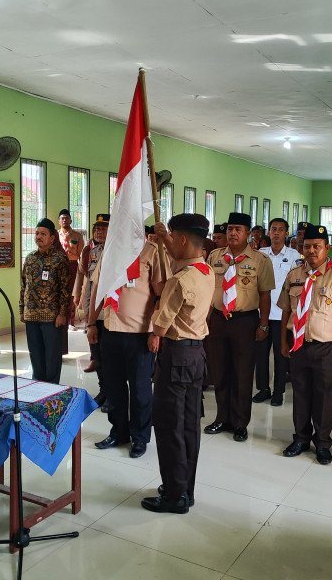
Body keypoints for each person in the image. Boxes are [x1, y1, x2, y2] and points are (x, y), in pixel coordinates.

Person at [141, 214, 215, 514]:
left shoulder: (179, 280)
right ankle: (185, 488)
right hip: (196, 356)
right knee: (189, 426)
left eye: (172, 236)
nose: (168, 242)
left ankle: (174, 495)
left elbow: (159, 327)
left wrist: (157, 308)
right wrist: (163, 238)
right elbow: (174, 257)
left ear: (183, 239)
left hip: (176, 356)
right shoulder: (206, 271)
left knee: (169, 425)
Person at [278, 225, 332, 464]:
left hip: (326, 348)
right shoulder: (294, 275)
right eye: (307, 246)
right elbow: (286, 311)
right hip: (299, 345)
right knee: (300, 394)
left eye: (317, 246)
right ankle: (301, 438)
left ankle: (322, 443)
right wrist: (283, 341)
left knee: (325, 397)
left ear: (327, 248)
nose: (311, 251)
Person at [88, 234, 167, 457]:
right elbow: (98, 290)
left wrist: (155, 331)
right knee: (114, 388)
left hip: (140, 334)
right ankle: (119, 432)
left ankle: (140, 437)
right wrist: (92, 323)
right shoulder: (109, 251)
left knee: (140, 390)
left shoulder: (151, 251)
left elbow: (160, 294)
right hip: (111, 330)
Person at [204, 212, 275, 442]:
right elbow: (208, 290)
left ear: (248, 234)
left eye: (238, 229)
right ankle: (222, 418)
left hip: (245, 321)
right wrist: (205, 319)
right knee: (220, 371)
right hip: (218, 320)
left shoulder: (260, 260)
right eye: (230, 229)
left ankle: (240, 423)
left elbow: (265, 295)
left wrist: (264, 325)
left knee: (243, 374)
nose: (233, 233)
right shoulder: (215, 256)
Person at [254, 217, 301, 406]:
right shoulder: (260, 254)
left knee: (281, 355)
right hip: (261, 313)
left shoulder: (294, 255)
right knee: (261, 355)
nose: (276, 233)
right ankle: (263, 389)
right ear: (269, 232)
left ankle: (278, 391)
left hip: (282, 314)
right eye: (273, 229)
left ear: (286, 233)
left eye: (281, 230)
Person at [20, 218, 70, 383]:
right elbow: (24, 286)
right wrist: (22, 309)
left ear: (52, 238)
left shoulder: (60, 259)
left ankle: (52, 389)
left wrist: (62, 313)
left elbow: (65, 289)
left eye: (43, 234)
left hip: (52, 317)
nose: (38, 237)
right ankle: (37, 386)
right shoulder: (30, 258)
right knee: (35, 355)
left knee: (52, 357)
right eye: (37, 233)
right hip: (31, 315)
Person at [73, 215, 109, 374]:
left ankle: (103, 362)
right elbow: (82, 274)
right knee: (92, 331)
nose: (98, 232)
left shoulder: (116, 252)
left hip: (108, 304)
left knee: (105, 339)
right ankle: (95, 358)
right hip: (92, 300)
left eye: (103, 229)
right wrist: (78, 295)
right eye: (96, 229)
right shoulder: (91, 251)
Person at [57, 209, 85, 351]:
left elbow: (82, 255)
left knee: (72, 293)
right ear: (59, 221)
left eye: (67, 218)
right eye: (62, 218)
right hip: (58, 266)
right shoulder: (55, 235)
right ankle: (60, 317)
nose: (64, 220)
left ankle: (71, 321)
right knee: (60, 292)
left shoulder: (77, 236)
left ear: (70, 221)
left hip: (72, 265)